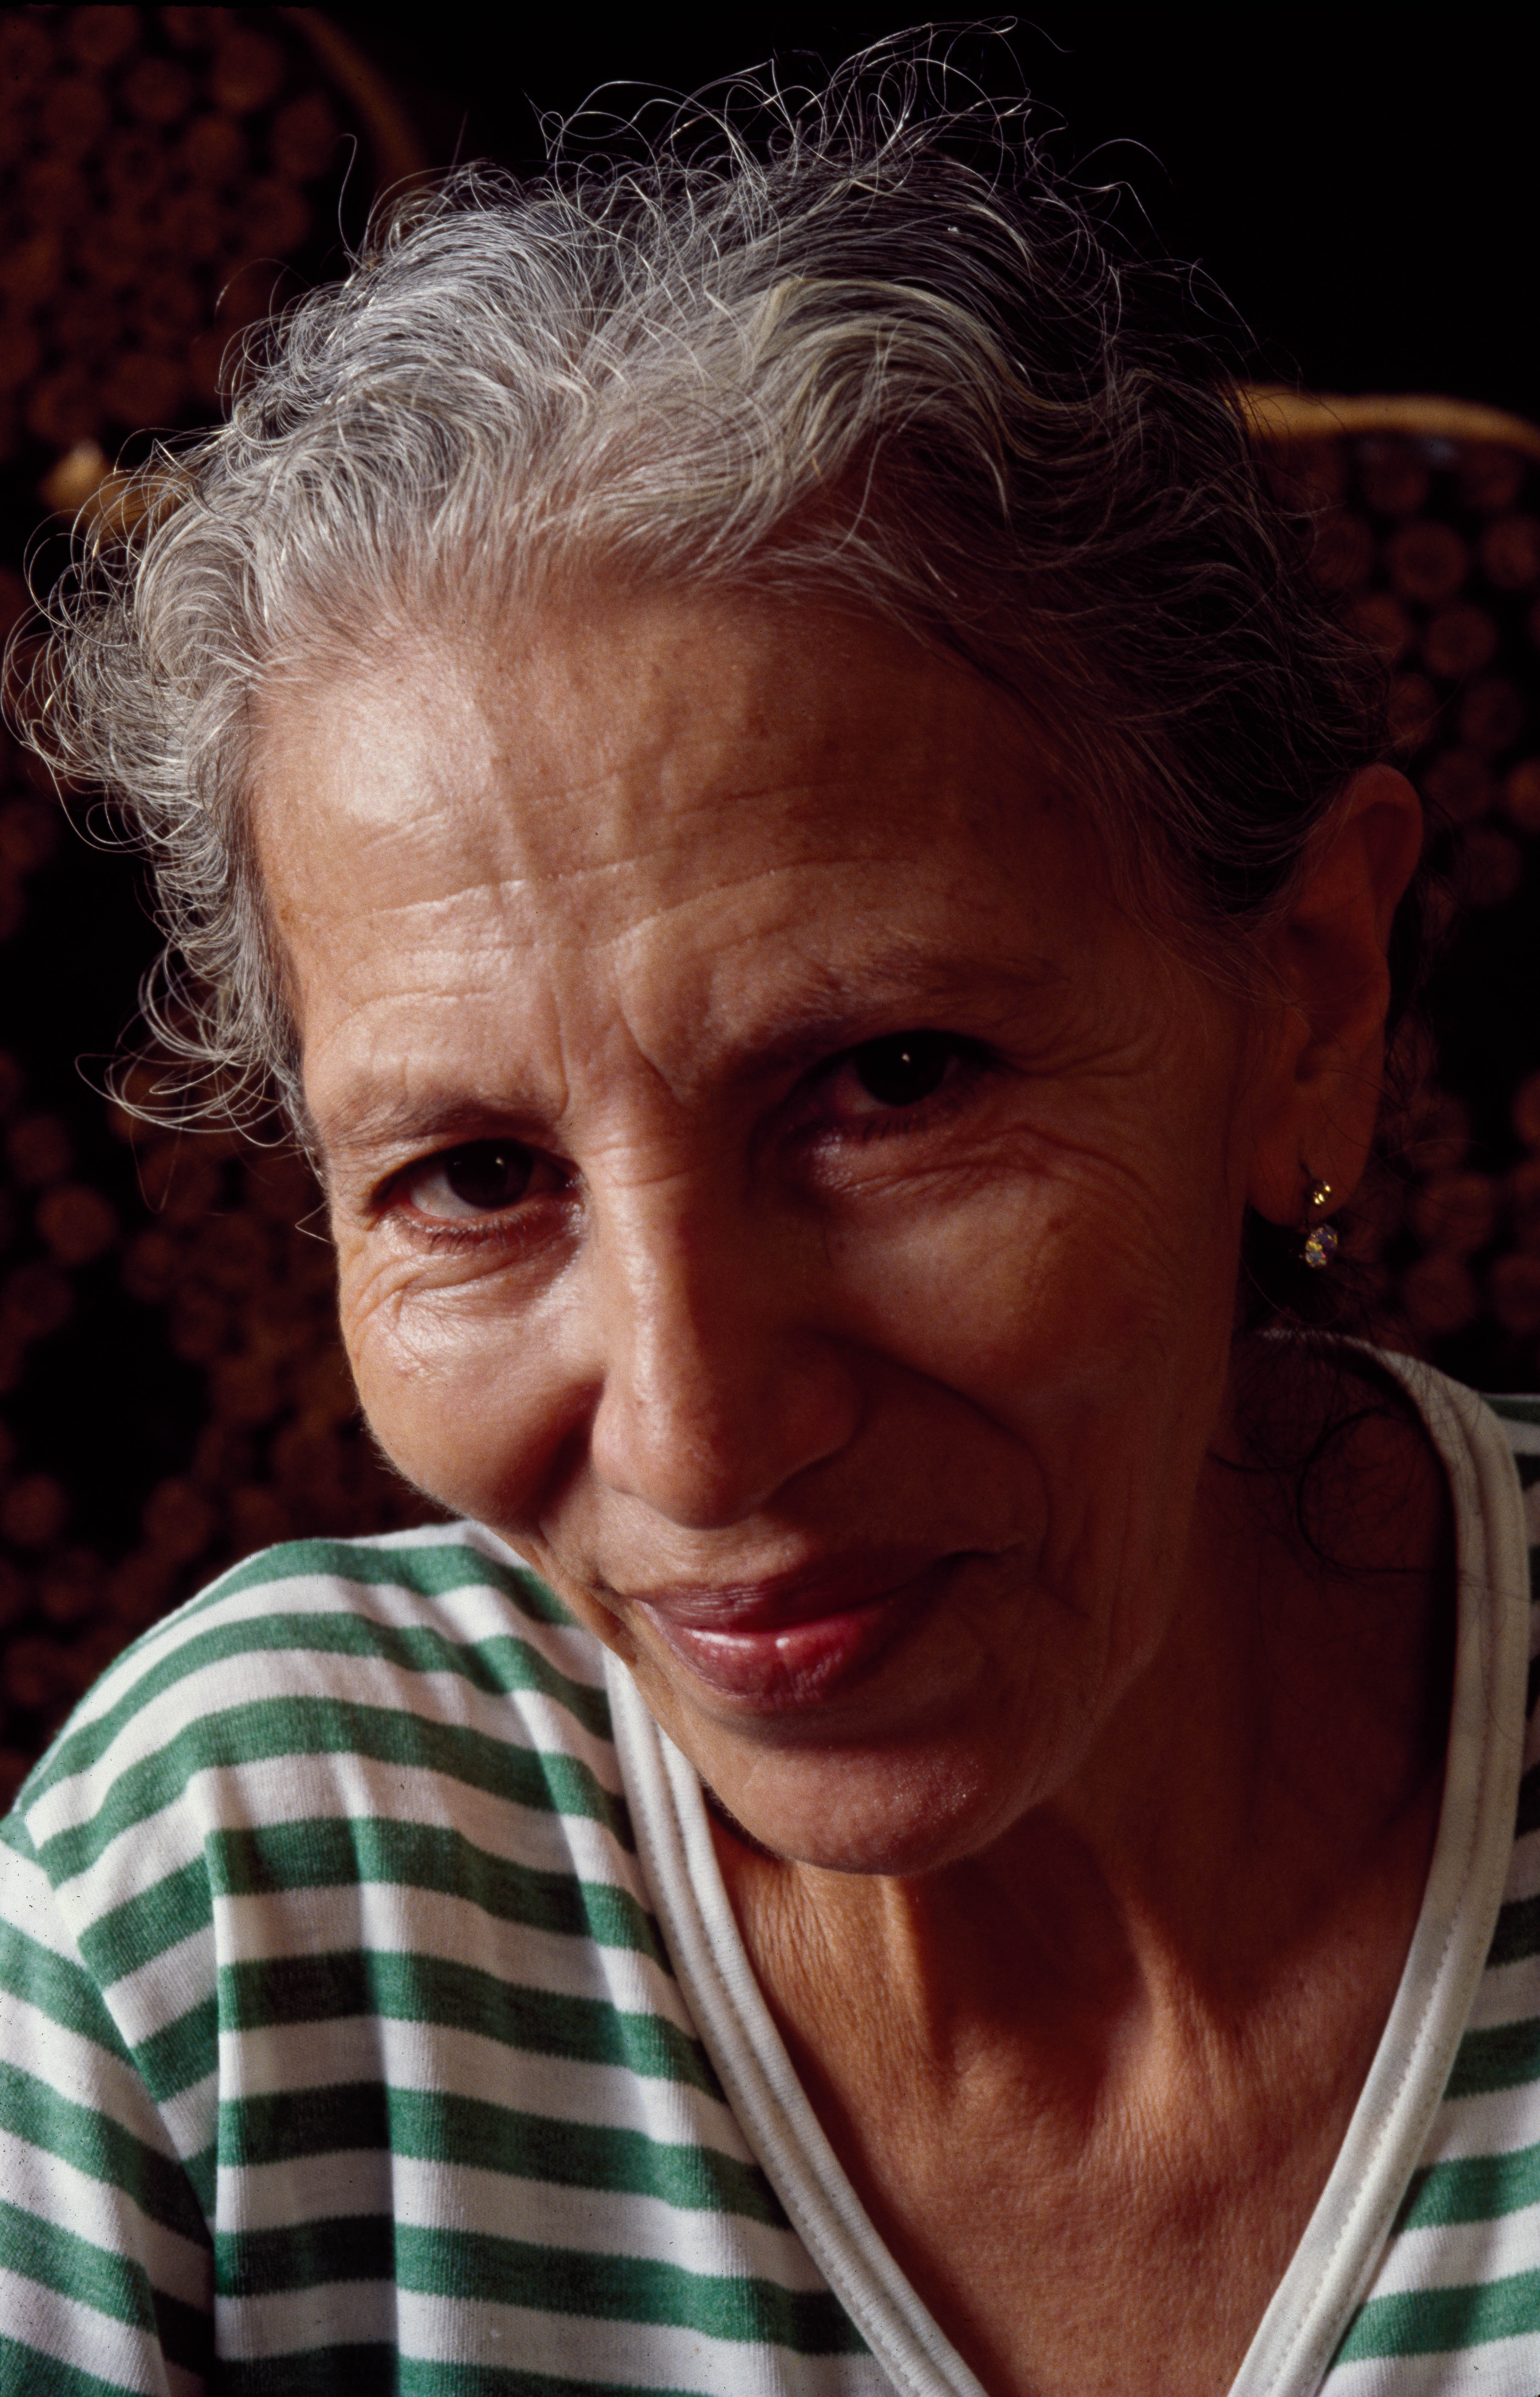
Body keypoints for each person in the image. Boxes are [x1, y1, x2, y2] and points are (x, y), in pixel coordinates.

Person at [0, 47, 1536, 2397]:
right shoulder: (212, 1923)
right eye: (474, 1178)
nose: (701, 1445)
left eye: (887, 1083)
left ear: (1304, 1006)